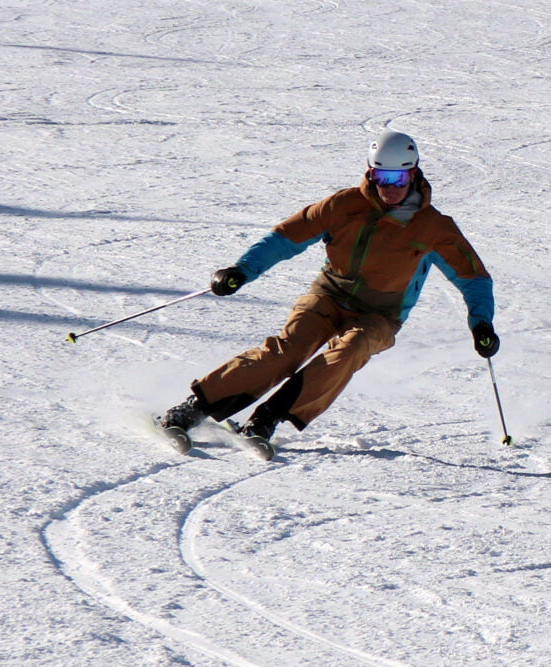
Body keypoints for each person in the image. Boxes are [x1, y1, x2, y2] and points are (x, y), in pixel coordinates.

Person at [157, 131, 499, 445]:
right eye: (382, 177)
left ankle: (266, 419)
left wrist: (481, 322)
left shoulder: (435, 227)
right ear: (370, 172)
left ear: (413, 174)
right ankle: (193, 408)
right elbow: (286, 237)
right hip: (328, 296)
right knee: (288, 350)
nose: (389, 186)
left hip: (380, 314)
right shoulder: (344, 206)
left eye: (398, 177)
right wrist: (241, 271)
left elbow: (473, 277)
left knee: (351, 349)